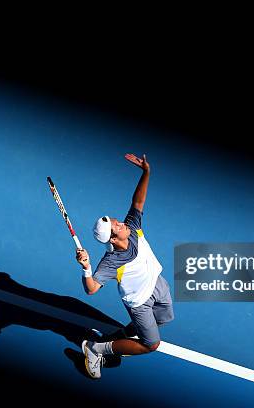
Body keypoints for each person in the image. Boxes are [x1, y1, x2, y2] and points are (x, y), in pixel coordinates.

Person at [75, 153, 174, 379]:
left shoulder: (132, 227)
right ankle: (95, 348)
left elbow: (137, 202)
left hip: (158, 284)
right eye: (116, 225)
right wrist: (86, 266)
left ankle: (120, 336)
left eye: (117, 220)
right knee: (151, 344)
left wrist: (146, 172)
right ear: (112, 238)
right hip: (139, 301)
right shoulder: (111, 262)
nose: (121, 222)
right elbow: (91, 289)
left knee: (165, 318)